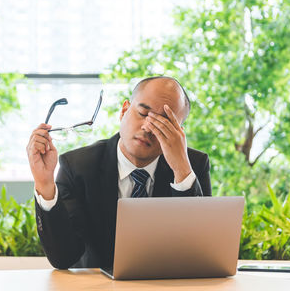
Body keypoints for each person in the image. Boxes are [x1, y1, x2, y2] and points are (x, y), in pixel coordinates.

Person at [26, 76, 212, 269]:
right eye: (142, 113)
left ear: (179, 133)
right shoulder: (78, 166)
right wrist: (44, 184)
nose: (148, 128)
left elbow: (200, 253)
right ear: (124, 110)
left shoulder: (193, 167)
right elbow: (64, 258)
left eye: (163, 124)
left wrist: (181, 169)